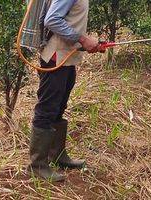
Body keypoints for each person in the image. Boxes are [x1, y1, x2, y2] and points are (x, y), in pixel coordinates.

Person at [28, 0, 105, 182]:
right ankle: (37, 165)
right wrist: (84, 39)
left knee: (59, 106)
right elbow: (52, 20)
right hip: (56, 57)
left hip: (66, 57)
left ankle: (57, 156)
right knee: (47, 109)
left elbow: (69, 20)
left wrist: (89, 44)